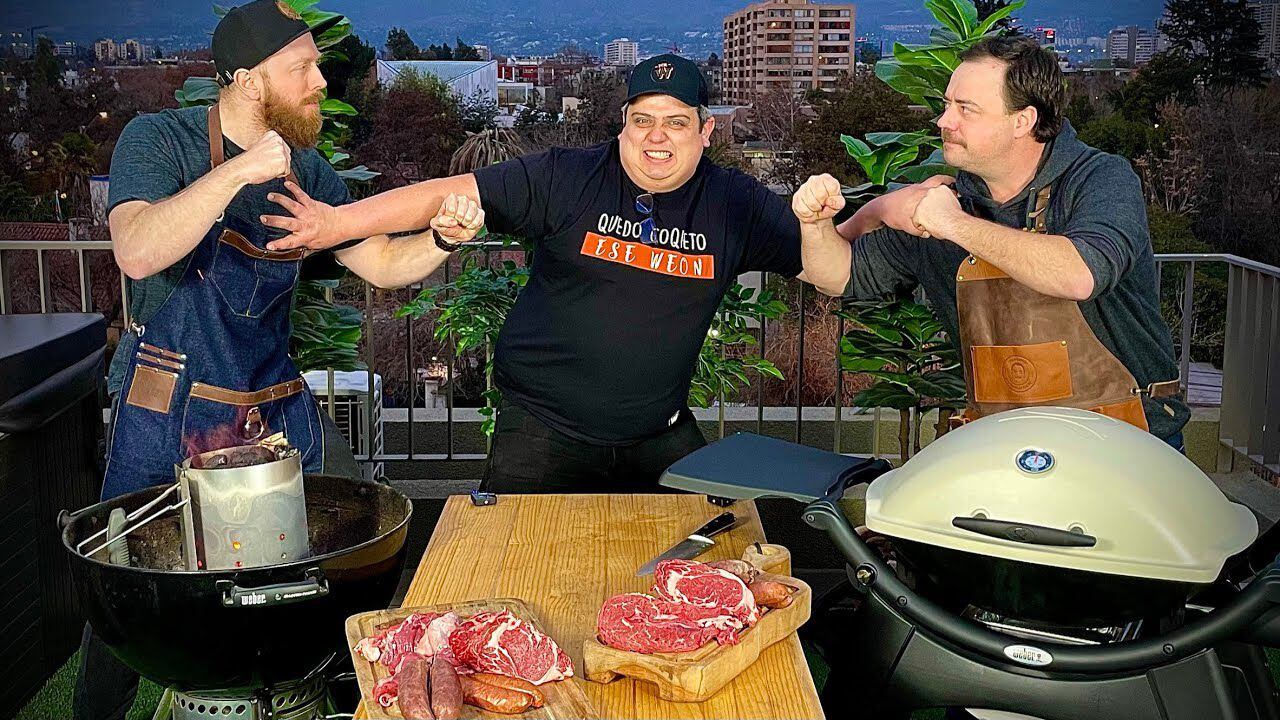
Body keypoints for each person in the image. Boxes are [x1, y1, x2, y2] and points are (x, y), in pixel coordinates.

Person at [77, 2, 483, 717]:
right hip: (166, 405)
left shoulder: (308, 172)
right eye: (302, 68)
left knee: (335, 556)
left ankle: (331, 694)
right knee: (127, 581)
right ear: (246, 79)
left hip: (270, 404)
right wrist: (238, 173)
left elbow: (383, 264)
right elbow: (137, 249)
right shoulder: (160, 140)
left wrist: (443, 240)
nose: (321, 82)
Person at [261, 54, 809, 492]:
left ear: (705, 130)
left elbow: (826, 262)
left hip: (659, 434)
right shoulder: (567, 178)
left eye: (676, 122)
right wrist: (336, 223)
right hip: (543, 434)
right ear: (624, 124)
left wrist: (842, 217)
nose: (656, 136)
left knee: (694, 563)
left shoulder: (734, 203)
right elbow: (446, 192)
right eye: (642, 120)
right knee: (515, 570)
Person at [794, 35, 1188, 447]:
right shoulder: (944, 202)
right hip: (1002, 447)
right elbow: (833, 276)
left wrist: (953, 224)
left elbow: (1080, 272)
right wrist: (821, 221)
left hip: (1129, 443)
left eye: (966, 109)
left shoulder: (1100, 179)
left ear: (1023, 121)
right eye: (948, 104)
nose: (944, 121)